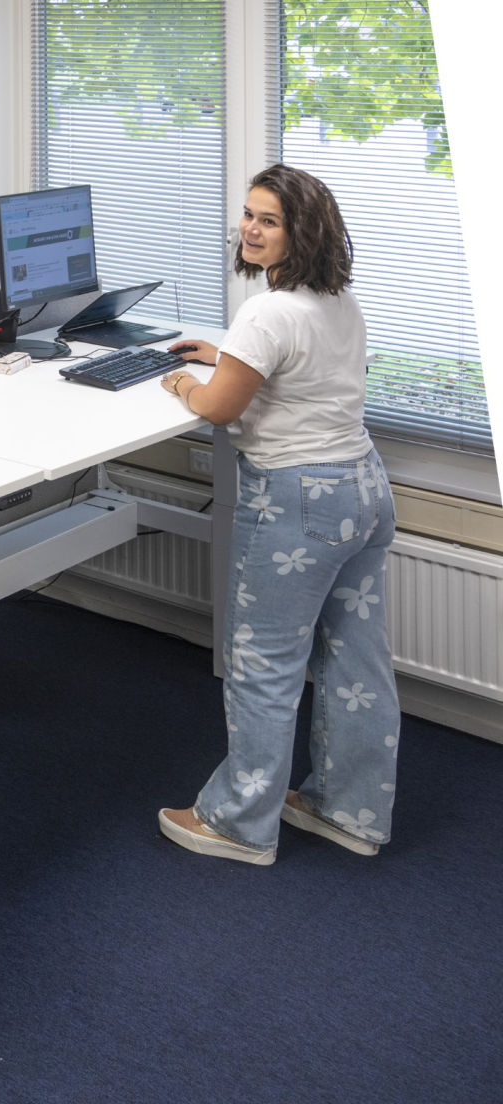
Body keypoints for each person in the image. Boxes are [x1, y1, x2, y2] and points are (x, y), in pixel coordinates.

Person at [156, 164, 397, 865]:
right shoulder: (336, 297)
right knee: (357, 658)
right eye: (248, 214)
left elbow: (219, 408)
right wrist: (228, 357)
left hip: (298, 504)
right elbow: (290, 373)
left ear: (302, 230)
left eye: (268, 220)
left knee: (263, 662)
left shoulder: (267, 312)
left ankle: (239, 823)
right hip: (364, 490)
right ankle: (347, 810)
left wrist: (185, 381)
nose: (250, 229)